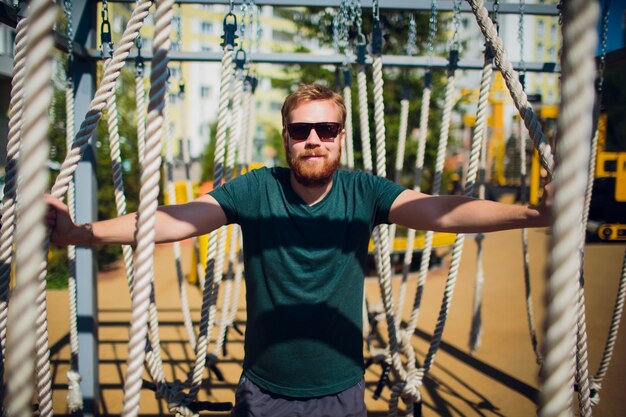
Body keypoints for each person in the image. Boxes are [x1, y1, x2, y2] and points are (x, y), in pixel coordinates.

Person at [46, 84, 552, 417]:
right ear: (285, 136)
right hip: (264, 391)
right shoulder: (255, 189)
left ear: (340, 138)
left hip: (340, 391)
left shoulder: (364, 192)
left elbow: (442, 212)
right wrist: (79, 234)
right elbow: (176, 220)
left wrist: (533, 215)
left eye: (326, 129)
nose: (314, 139)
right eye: (301, 130)